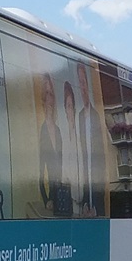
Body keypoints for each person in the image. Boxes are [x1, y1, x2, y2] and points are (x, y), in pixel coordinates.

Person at [76, 63, 107, 217]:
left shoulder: (96, 116)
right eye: (79, 83)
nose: (82, 87)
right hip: (85, 184)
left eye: (83, 82)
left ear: (88, 85)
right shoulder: (80, 116)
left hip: (97, 186)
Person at [38, 72, 64, 215]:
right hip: (51, 206)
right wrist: (47, 199)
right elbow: (41, 175)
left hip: (63, 201)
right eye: (47, 93)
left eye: (52, 94)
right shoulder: (43, 131)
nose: (50, 99)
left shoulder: (59, 131)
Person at [62, 80, 83, 217]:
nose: (70, 110)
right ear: (65, 110)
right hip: (65, 202)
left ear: (75, 110)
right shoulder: (64, 138)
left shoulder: (80, 137)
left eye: (72, 106)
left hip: (80, 202)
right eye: (67, 106)